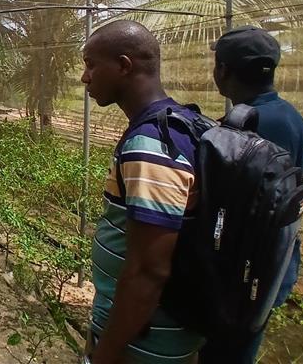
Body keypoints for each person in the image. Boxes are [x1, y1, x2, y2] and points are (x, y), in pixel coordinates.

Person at [81, 20, 203, 364]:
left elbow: (149, 271)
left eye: (91, 64)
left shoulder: (151, 144)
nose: (85, 77)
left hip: (145, 343)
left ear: (123, 65)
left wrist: (104, 355)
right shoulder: (180, 123)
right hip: (148, 333)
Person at [199, 25, 303, 363]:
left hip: (246, 276)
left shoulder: (251, 122)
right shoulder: (290, 115)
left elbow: (229, 207)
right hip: (272, 264)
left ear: (223, 70)